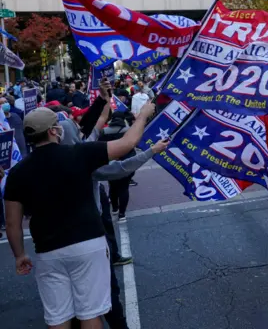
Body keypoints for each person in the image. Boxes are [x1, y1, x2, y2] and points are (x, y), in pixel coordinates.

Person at [4, 101, 156, 328]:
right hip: (89, 243)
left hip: (48, 250)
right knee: (90, 312)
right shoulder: (79, 153)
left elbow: (12, 222)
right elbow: (128, 143)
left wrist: (19, 255)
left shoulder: (16, 174)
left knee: (58, 316)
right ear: (53, 130)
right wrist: (143, 115)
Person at [99, 111, 137, 221]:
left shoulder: (105, 131)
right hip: (127, 163)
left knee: (113, 186)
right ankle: (122, 214)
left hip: (111, 163)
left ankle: (114, 208)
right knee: (124, 188)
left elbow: (100, 147)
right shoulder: (128, 130)